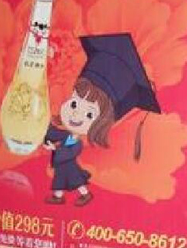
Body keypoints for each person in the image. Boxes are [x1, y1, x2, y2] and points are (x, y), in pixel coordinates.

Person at [43, 33, 161, 206]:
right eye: (74, 103)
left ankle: (76, 195)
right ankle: (62, 196)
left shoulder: (75, 144)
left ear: (101, 123)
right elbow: (52, 132)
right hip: (64, 169)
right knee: (66, 181)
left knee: (72, 181)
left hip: (67, 168)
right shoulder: (65, 134)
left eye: (90, 114)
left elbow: (68, 151)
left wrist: (54, 148)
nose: (75, 114)